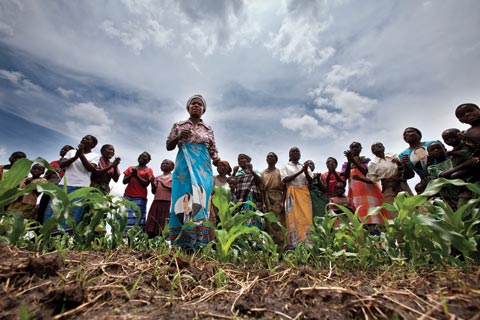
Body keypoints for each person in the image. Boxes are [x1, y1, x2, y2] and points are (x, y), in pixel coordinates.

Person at [166, 94, 220, 249]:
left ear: (203, 110)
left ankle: (199, 243)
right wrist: (178, 137)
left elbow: (213, 150)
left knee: (201, 198)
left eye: (200, 104)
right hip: (184, 166)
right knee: (183, 198)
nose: (196, 106)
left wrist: (216, 159)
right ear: (188, 107)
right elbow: (169, 145)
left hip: (203, 167)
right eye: (193, 104)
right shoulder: (179, 125)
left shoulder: (208, 129)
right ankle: (182, 243)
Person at [44, 135, 100, 225]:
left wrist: (81, 155)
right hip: (64, 185)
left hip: (81, 187)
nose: (84, 140)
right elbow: (62, 164)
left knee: (73, 212)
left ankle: (66, 235)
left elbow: (90, 168)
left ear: (93, 145)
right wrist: (75, 157)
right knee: (54, 209)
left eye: (87, 139)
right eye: (83, 138)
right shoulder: (71, 152)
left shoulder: (95, 156)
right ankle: (48, 231)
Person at [352, 142, 411, 218]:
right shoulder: (372, 164)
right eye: (374, 147)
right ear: (372, 151)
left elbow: (401, 169)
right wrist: (360, 179)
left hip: (401, 184)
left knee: (410, 205)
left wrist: (399, 162)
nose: (378, 147)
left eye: (380, 145)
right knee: (393, 210)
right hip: (388, 187)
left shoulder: (392, 156)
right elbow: (372, 180)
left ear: (384, 147)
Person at [343, 142, 388, 225]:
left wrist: (353, 160)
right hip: (355, 193)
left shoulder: (367, 161)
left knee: (373, 212)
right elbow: (345, 177)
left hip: (370, 191)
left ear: (361, 149)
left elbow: (367, 174)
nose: (354, 149)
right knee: (358, 214)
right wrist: (349, 161)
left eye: (357, 147)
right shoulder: (346, 164)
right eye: (352, 147)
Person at [280, 147, 313, 249]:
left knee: (306, 218)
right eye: (292, 152)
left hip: (304, 194)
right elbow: (285, 179)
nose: (295, 153)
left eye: (297, 151)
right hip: (292, 194)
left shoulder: (305, 167)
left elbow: (310, 181)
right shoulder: (285, 166)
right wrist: (300, 172)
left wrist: (306, 172)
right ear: (289, 155)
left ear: (300, 155)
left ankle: (307, 245)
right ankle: (293, 246)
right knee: (292, 218)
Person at [37, 145, 74, 224]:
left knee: (55, 209)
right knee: (43, 207)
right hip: (49, 188)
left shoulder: (72, 165)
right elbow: (46, 176)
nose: (63, 150)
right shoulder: (54, 163)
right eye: (62, 149)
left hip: (61, 189)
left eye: (66, 150)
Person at [123, 152, 154, 231]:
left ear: (148, 160)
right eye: (140, 155)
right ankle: (123, 237)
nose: (141, 157)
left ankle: (135, 238)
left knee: (137, 217)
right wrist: (131, 174)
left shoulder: (149, 170)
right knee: (125, 216)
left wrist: (136, 175)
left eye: (144, 156)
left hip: (140, 197)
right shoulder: (130, 168)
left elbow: (146, 184)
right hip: (127, 195)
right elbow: (124, 181)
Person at [144, 159, 174, 237]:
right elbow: (154, 191)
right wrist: (152, 183)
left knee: (163, 221)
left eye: (167, 163)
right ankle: (150, 238)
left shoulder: (173, 177)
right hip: (156, 201)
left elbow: (175, 190)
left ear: (172, 167)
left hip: (167, 202)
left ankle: (161, 239)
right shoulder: (158, 177)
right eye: (162, 163)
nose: (164, 164)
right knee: (152, 220)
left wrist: (165, 186)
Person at [261, 152, 285, 246]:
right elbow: (262, 189)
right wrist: (263, 202)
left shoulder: (279, 172)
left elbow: (284, 188)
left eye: (272, 156)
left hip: (278, 196)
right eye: (268, 156)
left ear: (276, 160)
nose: (270, 158)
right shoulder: (263, 173)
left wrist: (283, 201)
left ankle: (280, 247)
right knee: (268, 221)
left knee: (279, 221)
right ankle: (270, 246)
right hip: (267, 197)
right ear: (266, 160)